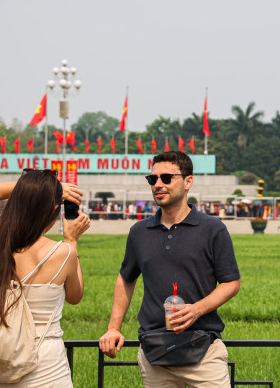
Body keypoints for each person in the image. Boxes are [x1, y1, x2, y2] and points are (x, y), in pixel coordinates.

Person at [99, 151, 241, 387]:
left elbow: (231, 283)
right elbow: (126, 279)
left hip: (204, 352)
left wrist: (196, 310)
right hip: (155, 354)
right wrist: (113, 328)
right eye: (152, 179)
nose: (158, 185)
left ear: (188, 181)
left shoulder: (213, 229)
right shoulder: (139, 232)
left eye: (166, 178)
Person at [0, 168, 89, 387]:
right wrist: (72, 240)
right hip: (45, 368)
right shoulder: (62, 252)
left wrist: (35, 188)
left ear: (17, 200)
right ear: (55, 209)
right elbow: (75, 296)